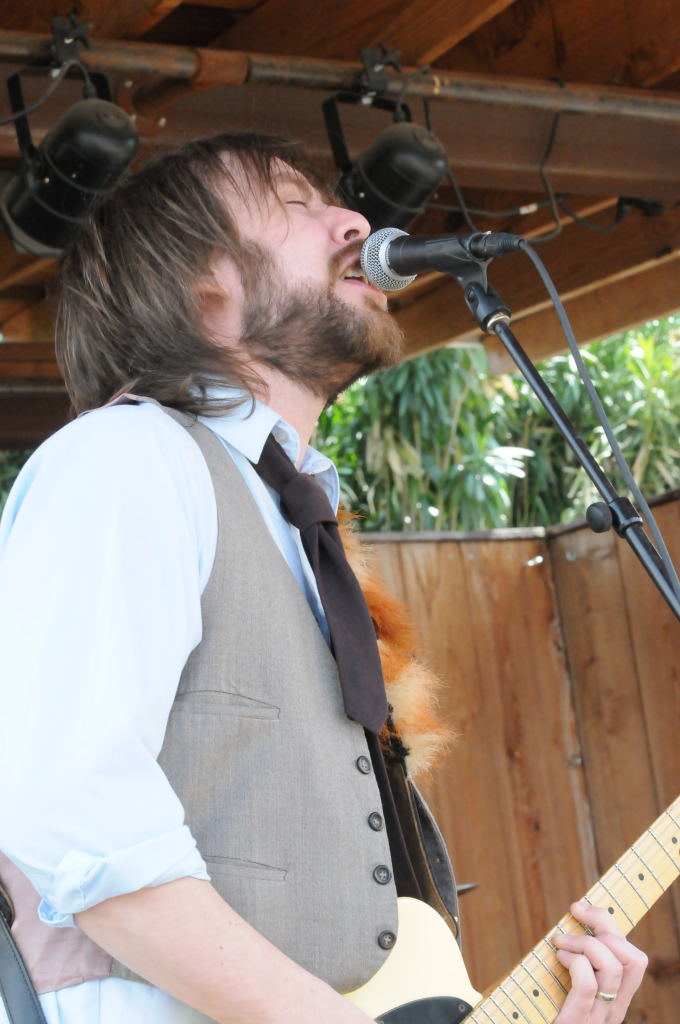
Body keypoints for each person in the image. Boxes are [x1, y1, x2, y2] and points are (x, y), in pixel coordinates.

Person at [0, 132, 647, 1024]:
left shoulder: (294, 520)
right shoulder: (128, 456)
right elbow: (69, 803)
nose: (355, 222)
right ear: (197, 283)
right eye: (296, 206)